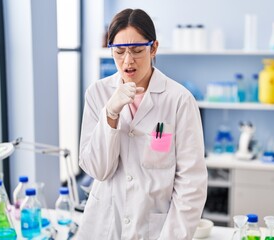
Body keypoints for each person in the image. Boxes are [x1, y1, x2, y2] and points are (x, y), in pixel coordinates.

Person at [77, 8, 208, 240]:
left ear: (154, 48)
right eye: (119, 51)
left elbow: (191, 184)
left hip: (154, 229)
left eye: (137, 50)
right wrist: (110, 113)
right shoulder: (97, 93)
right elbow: (97, 169)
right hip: (103, 225)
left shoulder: (179, 100)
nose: (128, 61)